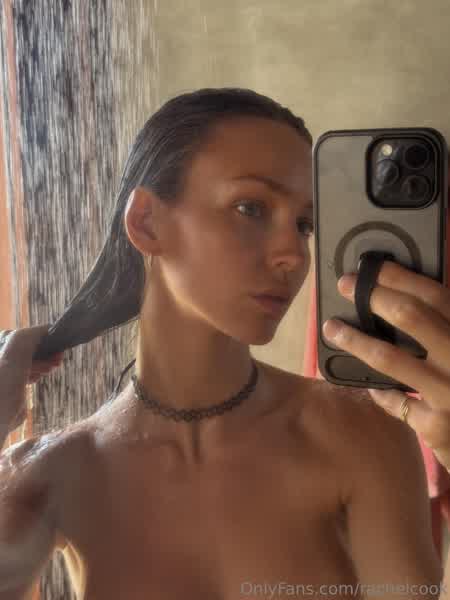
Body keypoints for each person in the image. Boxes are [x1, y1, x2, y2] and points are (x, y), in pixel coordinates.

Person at [0, 88, 445, 599]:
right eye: (250, 207)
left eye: (304, 225)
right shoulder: (49, 473)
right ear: (146, 222)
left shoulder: (360, 431)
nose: (294, 254)